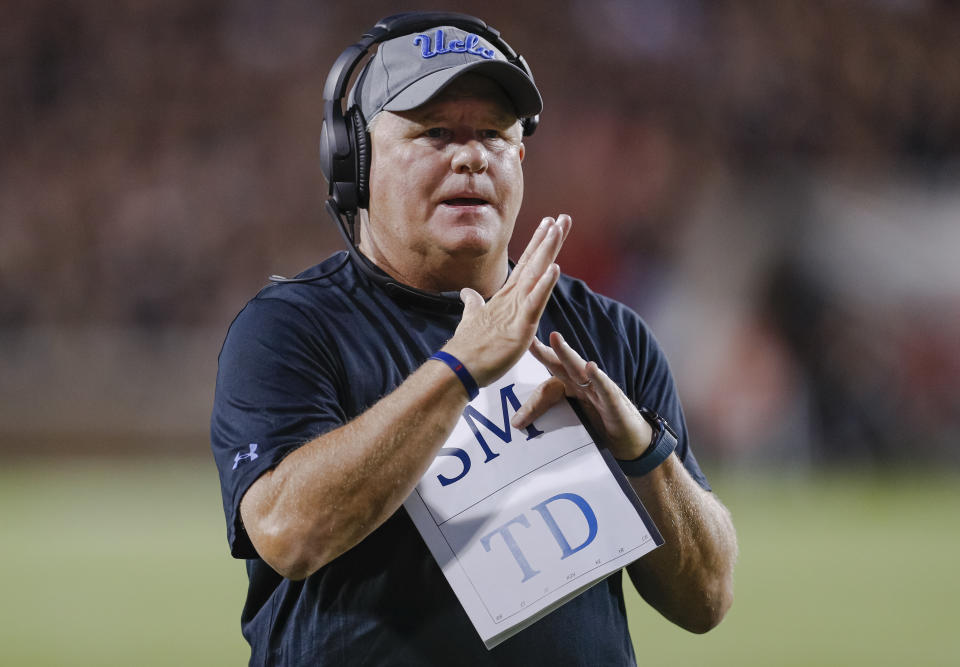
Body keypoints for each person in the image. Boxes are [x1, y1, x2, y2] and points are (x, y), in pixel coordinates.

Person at [211, 13, 737, 666]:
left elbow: (708, 596)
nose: (471, 155)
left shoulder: (607, 335)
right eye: (435, 133)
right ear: (356, 160)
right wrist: (459, 368)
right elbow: (287, 532)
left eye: (493, 133)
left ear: (519, 158)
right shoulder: (289, 329)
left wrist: (640, 448)